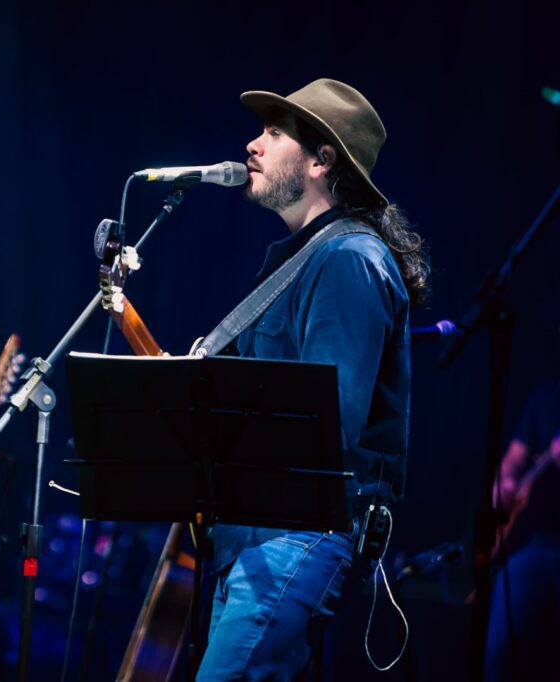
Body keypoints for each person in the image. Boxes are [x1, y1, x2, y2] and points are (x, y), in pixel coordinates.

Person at [194, 79, 429, 680]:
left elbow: (324, 424)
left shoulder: (349, 260)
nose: (253, 144)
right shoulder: (302, 260)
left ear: (322, 160)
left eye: (274, 134)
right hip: (255, 534)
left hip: (298, 535)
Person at [485, 379, 560, 681]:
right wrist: (503, 486)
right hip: (540, 544)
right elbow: (510, 466)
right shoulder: (547, 394)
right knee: (498, 651)